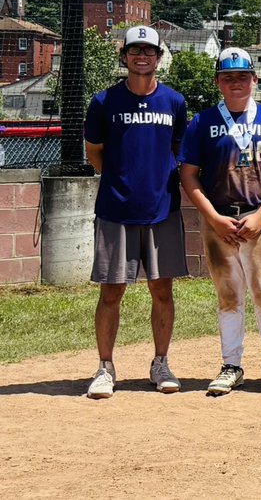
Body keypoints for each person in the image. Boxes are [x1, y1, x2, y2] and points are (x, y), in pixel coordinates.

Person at [179, 47, 261, 396]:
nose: (236, 83)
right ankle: (231, 364)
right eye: (228, 77)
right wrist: (212, 217)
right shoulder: (202, 122)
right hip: (220, 220)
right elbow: (188, 175)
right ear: (218, 82)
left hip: (258, 219)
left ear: (254, 79)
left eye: (242, 77)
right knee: (228, 296)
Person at [83, 25, 189, 398]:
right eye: (134, 51)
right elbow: (94, 152)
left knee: (162, 290)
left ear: (159, 58)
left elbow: (179, 151)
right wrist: (120, 180)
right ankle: (105, 367)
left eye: (149, 51)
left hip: (161, 209)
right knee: (111, 292)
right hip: (116, 209)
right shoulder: (104, 102)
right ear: (124, 57)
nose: (141, 56)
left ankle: (160, 363)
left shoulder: (174, 102)